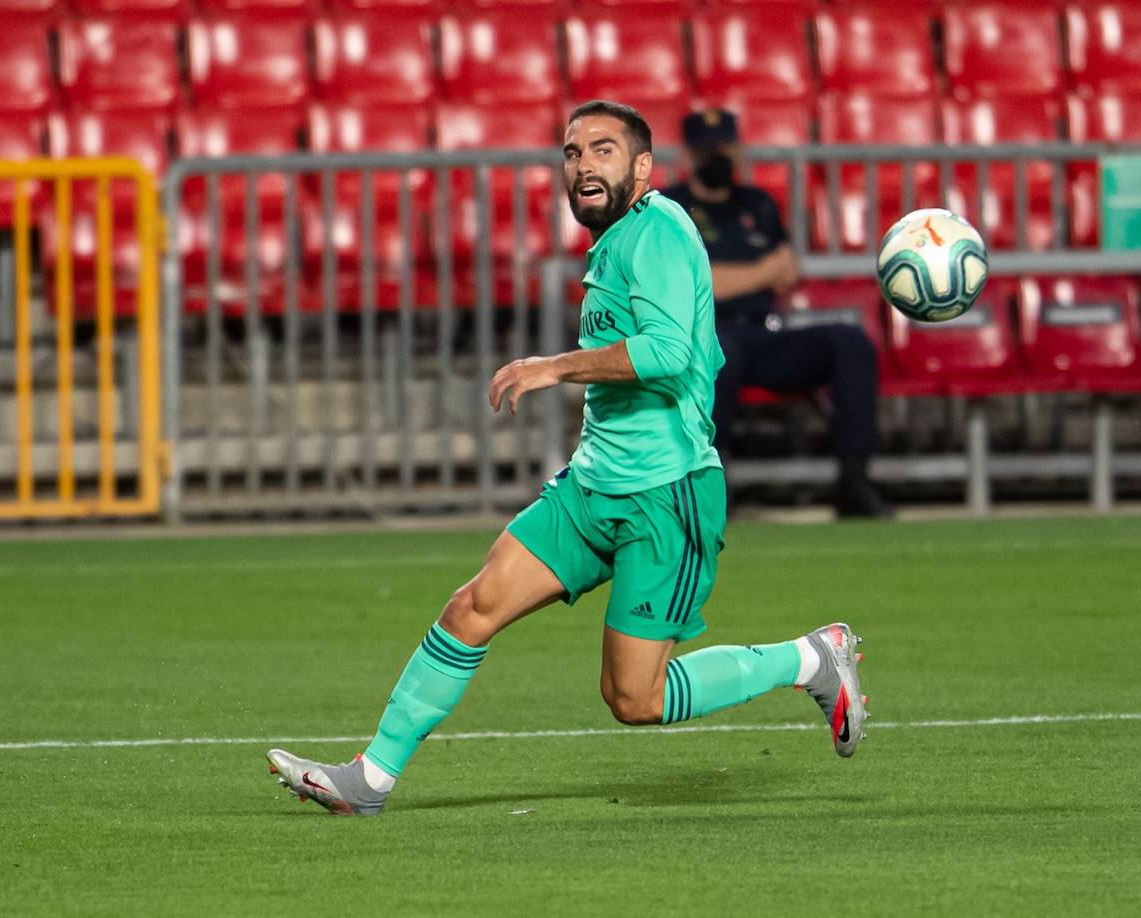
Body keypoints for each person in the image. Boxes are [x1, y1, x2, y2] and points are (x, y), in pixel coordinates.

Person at [266, 101, 867, 817]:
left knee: (634, 699)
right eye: (573, 152)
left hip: (663, 495)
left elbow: (671, 355)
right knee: (472, 606)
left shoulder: (664, 233)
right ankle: (371, 779)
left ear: (642, 168)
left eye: (603, 150)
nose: (583, 164)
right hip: (592, 486)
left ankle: (809, 658)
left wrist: (555, 366)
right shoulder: (614, 242)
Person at [660, 109, 891, 519]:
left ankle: (854, 481)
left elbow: (787, 272)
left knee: (849, 342)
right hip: (705, 335)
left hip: (764, 333)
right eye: (708, 150)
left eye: (725, 147)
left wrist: (730, 277)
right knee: (716, 354)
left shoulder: (758, 204)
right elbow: (689, 286)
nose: (718, 157)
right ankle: (707, 487)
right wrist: (758, 273)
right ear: (688, 154)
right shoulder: (669, 208)